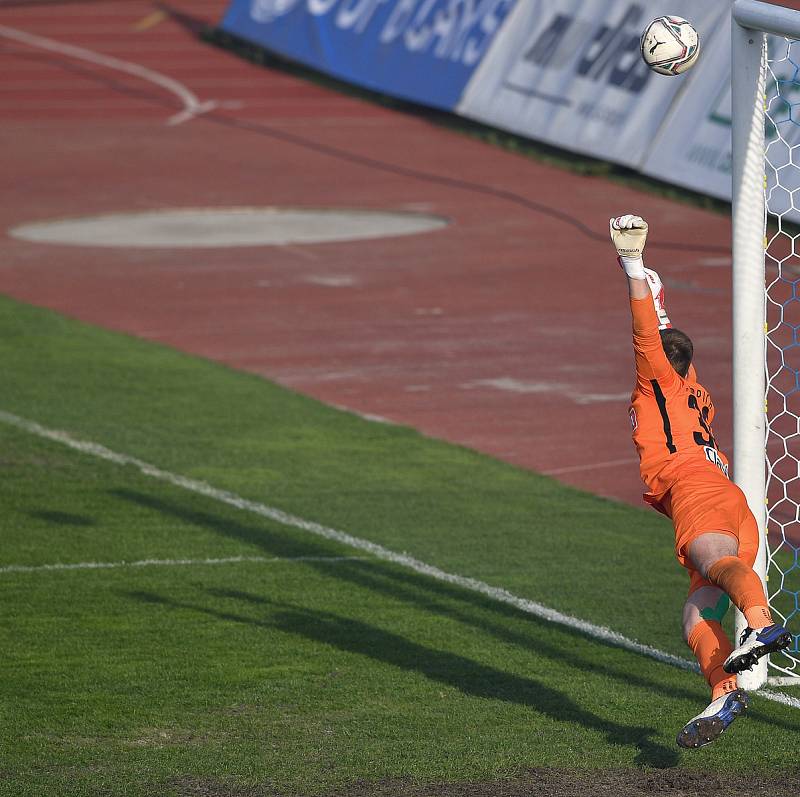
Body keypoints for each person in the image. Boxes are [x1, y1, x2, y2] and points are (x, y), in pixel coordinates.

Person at [609, 213, 791, 749]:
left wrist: (633, 265)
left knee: (711, 562)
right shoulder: (688, 382)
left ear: (660, 361)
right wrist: (661, 302)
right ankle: (724, 691)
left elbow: (647, 325)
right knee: (696, 615)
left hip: (698, 492)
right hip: (726, 501)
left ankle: (761, 623)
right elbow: (664, 331)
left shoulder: (658, 376)